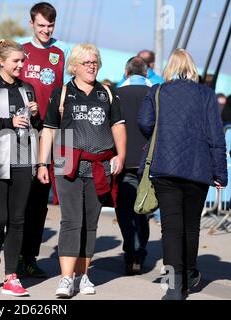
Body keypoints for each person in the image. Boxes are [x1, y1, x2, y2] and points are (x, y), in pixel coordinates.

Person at [138, 49, 227, 300]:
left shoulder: (157, 91)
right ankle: (188, 275)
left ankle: (173, 286)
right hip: (198, 170)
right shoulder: (206, 95)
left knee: (170, 228)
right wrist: (220, 172)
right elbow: (215, 136)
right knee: (191, 226)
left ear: (170, 68)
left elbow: (144, 122)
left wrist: (162, 136)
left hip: (165, 168)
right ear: (192, 68)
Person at [38, 44, 126, 298]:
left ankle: (83, 276)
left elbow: (118, 127)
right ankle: (66, 279)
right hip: (66, 161)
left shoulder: (107, 93)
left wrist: (120, 155)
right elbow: (49, 130)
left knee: (90, 222)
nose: (92, 66)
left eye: (95, 61)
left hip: (100, 165)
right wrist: (42, 164)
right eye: (86, 62)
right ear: (74, 66)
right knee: (71, 220)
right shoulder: (62, 93)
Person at [0, 39, 42, 297]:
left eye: (23, 61)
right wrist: (8, 121)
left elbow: (37, 125)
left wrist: (35, 115)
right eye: (16, 61)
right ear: (2, 62)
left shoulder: (28, 88)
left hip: (23, 159)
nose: (21, 65)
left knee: (17, 220)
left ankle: (11, 277)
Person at [17, 1, 71, 278]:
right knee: (18, 198)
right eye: (41, 26)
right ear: (31, 24)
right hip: (20, 134)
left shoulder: (61, 54)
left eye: (50, 26)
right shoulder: (21, 52)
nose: (46, 31)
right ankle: (10, 254)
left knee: (39, 200)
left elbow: (67, 91)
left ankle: (29, 257)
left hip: (48, 135)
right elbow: (6, 88)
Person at [116, 56, 151, 275]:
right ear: (146, 73)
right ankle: (140, 250)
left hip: (125, 160)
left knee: (125, 210)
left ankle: (131, 251)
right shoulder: (156, 93)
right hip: (149, 162)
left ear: (126, 72)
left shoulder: (117, 94)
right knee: (143, 210)